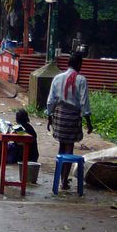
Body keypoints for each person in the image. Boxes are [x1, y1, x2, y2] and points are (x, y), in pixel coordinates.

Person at [46, 52, 93, 190]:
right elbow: (84, 103)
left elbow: (51, 100)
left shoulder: (57, 78)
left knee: (61, 147)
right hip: (72, 117)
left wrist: (50, 117)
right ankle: (64, 180)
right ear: (79, 64)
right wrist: (89, 122)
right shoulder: (81, 80)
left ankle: (61, 178)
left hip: (60, 116)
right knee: (69, 148)